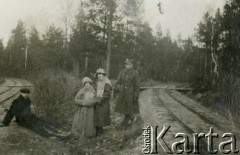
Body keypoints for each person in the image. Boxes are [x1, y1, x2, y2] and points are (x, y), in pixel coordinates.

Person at [0, 88, 67, 138]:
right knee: (35, 126)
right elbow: (11, 112)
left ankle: (58, 131)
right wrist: (5, 122)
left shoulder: (27, 99)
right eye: (24, 93)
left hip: (29, 116)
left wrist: (31, 115)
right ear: (20, 93)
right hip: (22, 120)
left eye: (27, 93)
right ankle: (49, 135)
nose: (25, 94)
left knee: (42, 121)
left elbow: (28, 110)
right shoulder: (16, 101)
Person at [114, 59, 140, 129]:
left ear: (132, 65)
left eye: (129, 64)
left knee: (129, 109)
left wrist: (135, 96)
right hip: (123, 94)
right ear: (125, 65)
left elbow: (137, 86)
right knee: (123, 109)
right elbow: (117, 82)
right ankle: (126, 122)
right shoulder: (122, 72)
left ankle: (126, 124)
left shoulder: (135, 73)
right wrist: (119, 88)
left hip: (130, 95)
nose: (127, 66)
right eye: (126, 64)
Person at [94, 68, 112, 135]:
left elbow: (107, 93)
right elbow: (96, 91)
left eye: (100, 74)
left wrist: (101, 100)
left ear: (104, 75)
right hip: (97, 101)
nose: (99, 76)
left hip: (103, 102)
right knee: (97, 115)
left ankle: (100, 130)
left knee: (102, 115)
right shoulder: (98, 82)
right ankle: (97, 128)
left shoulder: (107, 83)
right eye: (98, 74)